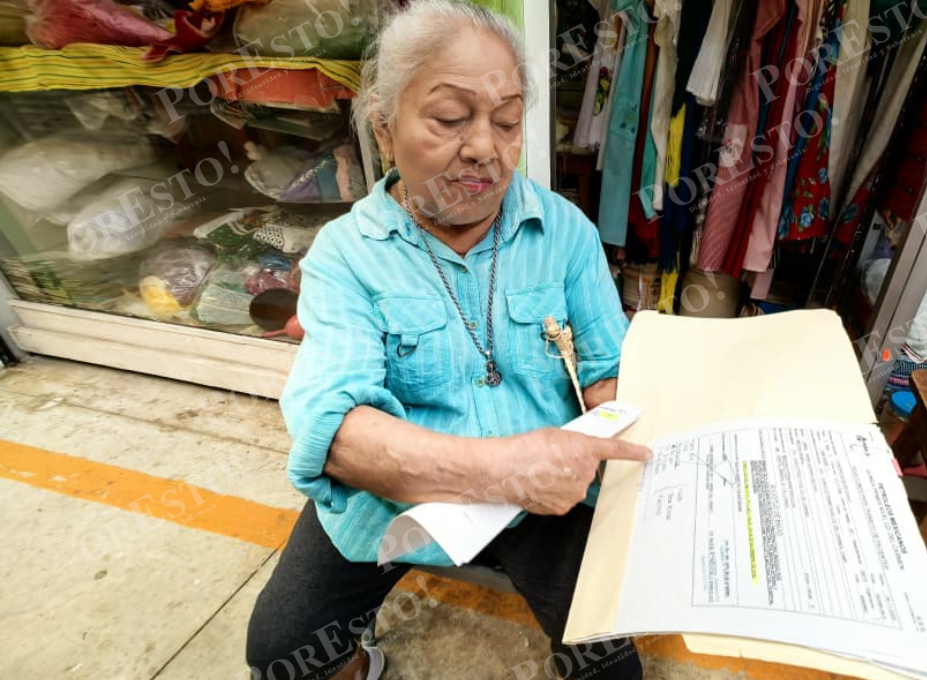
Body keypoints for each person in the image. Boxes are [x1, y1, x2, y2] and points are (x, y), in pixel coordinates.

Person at [244, 2, 651, 679]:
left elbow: (609, 374)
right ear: (384, 125)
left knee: (610, 665)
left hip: (542, 504)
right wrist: (502, 468)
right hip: (395, 495)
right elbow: (335, 433)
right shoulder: (345, 255)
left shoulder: (567, 233)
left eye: (508, 121)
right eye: (451, 119)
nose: (485, 148)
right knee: (284, 657)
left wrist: (638, 430)